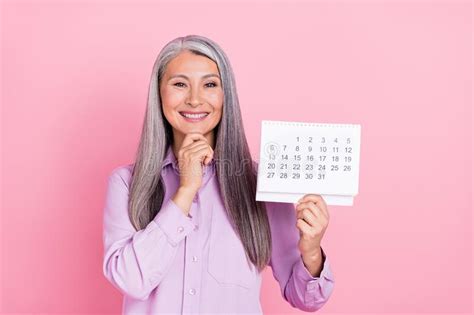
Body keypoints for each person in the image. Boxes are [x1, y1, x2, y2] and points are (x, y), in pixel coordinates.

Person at [102, 34, 335, 314]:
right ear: (159, 94)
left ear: (226, 96)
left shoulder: (261, 185)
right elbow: (130, 280)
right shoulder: (127, 184)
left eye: (210, 84)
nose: (195, 99)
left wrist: (311, 251)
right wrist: (185, 191)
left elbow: (306, 299)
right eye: (179, 84)